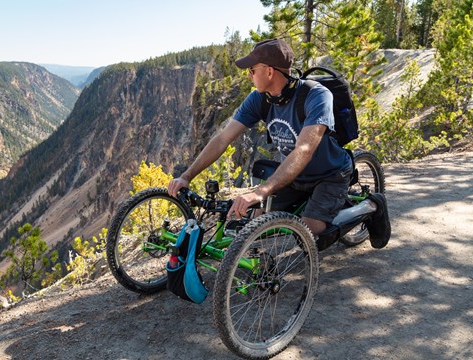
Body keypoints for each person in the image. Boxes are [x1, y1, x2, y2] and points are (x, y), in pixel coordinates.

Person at [167, 38, 390, 247]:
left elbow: (304, 150)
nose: (249, 76)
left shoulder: (316, 95)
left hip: (329, 174)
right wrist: (187, 176)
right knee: (255, 218)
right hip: (292, 177)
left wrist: (261, 191)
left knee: (310, 232)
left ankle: (372, 206)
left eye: (252, 70)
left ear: (270, 71)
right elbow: (223, 139)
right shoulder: (259, 99)